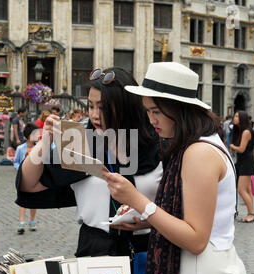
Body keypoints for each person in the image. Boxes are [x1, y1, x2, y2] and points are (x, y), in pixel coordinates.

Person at [102, 62, 250, 274]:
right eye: (148, 112)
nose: (151, 120)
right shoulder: (202, 141)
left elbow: (196, 239)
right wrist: (146, 222)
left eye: (156, 112)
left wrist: (137, 200)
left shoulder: (198, 153)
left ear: (179, 109)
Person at [16, 67, 164, 258]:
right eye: (91, 106)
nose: (94, 115)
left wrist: (153, 220)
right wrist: (46, 141)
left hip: (151, 252)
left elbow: (184, 209)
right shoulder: (79, 141)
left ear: (126, 105)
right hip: (96, 252)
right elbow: (29, 185)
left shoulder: (157, 142)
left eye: (102, 107)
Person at [230, 110, 254, 223]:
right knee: (247, 190)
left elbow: (241, 149)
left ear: (242, 118)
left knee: (241, 189)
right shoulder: (241, 131)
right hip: (242, 162)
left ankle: (251, 214)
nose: (234, 118)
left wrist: (231, 146)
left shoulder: (246, 132)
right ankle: (251, 212)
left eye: (236, 116)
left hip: (246, 162)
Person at [14, 123, 40, 234]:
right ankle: (21, 222)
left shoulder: (39, 147)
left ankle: (32, 221)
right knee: (22, 200)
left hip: (36, 177)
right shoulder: (20, 148)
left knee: (34, 201)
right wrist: (19, 168)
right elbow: (15, 162)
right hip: (23, 178)